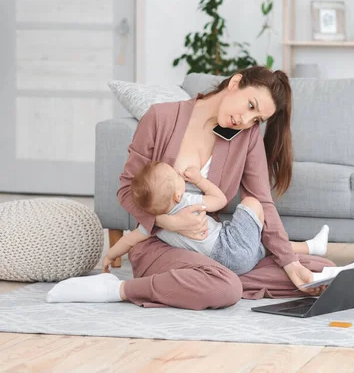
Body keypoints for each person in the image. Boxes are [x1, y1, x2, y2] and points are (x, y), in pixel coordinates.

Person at [46, 66, 336, 309]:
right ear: (235, 83)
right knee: (226, 289)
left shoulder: (244, 136)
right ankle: (120, 290)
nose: (246, 121)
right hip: (159, 243)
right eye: (250, 106)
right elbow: (126, 189)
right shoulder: (161, 118)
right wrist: (168, 221)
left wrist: (288, 263)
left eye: (257, 119)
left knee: (318, 270)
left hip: (214, 247)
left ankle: (204, 280)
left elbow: (261, 201)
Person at [101, 160, 329, 276]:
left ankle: (311, 247)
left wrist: (111, 254)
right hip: (228, 246)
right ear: (178, 194)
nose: (179, 174)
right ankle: (308, 248)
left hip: (224, 263)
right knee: (252, 203)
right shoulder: (189, 204)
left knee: (261, 244)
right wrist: (199, 180)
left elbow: (129, 240)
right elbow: (219, 199)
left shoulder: (152, 226)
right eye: (175, 175)